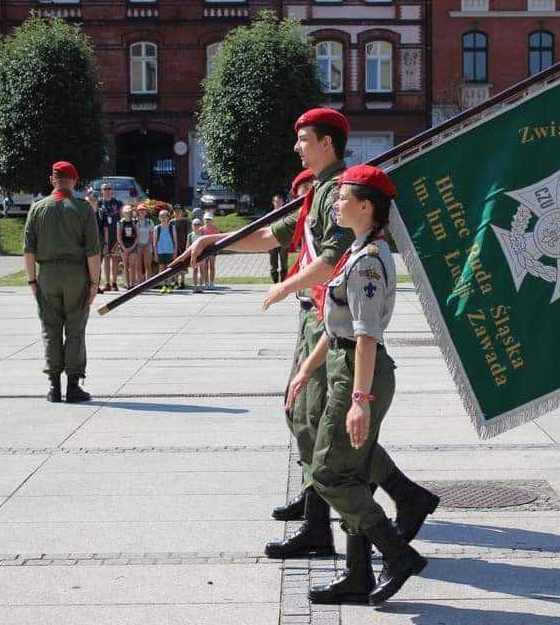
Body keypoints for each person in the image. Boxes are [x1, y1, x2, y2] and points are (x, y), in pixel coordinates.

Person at [176, 108, 438, 562]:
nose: (297, 147)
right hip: (313, 317)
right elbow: (275, 237)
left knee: (316, 423)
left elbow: (332, 261)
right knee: (306, 417)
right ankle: (362, 508)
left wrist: (284, 286)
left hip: (326, 317)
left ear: (327, 144)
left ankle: (353, 516)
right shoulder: (318, 191)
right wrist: (214, 241)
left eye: (304, 139)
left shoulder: (341, 192)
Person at [287, 165, 426, 606]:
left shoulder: (367, 262)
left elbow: (365, 335)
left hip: (359, 371)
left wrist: (360, 401)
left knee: (328, 472)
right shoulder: (358, 250)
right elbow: (337, 326)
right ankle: (358, 574)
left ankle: (398, 554)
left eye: (345, 198)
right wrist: (308, 369)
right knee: (351, 472)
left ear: (367, 207)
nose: (337, 204)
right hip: (344, 363)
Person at [23, 161, 100, 403]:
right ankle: (73, 385)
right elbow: (93, 252)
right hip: (76, 274)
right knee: (75, 329)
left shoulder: (37, 208)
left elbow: (28, 251)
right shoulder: (83, 209)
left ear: (52, 180)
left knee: (50, 328)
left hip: (46, 275)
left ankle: (54, 387)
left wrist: (32, 281)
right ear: (74, 181)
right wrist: (94, 283)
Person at [99, 183, 123, 292]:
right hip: (103, 235)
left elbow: (122, 218)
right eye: (105, 189)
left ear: (112, 190)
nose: (107, 190)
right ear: (102, 191)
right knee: (106, 259)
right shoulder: (99, 203)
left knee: (115, 259)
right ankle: (107, 283)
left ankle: (114, 283)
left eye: (109, 188)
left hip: (115, 235)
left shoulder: (118, 203)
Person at [152, 209, 178, 293]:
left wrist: (175, 252)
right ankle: (164, 285)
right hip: (160, 251)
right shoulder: (157, 228)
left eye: (165, 216)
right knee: (161, 268)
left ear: (168, 217)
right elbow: (154, 243)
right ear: (159, 218)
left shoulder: (172, 227)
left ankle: (169, 285)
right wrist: (155, 253)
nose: (163, 218)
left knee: (169, 268)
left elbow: (175, 241)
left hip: (170, 251)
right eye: (161, 216)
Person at [117, 204, 139, 289]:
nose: (127, 213)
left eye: (129, 212)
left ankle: (133, 283)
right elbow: (118, 236)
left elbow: (137, 236)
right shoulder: (120, 222)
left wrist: (132, 247)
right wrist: (124, 247)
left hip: (133, 245)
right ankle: (127, 284)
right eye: (125, 212)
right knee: (125, 265)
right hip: (123, 246)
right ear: (123, 213)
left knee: (132, 265)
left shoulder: (135, 222)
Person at [268, 194, 288, 284]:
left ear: (283, 203)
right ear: (273, 203)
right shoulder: (269, 216)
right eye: (276, 202)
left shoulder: (287, 214)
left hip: (283, 241)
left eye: (280, 202)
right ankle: (275, 282)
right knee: (273, 264)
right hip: (272, 242)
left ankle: (283, 282)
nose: (278, 204)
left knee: (284, 264)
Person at [134, 203, 154, 282]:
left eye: (143, 210)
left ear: (146, 212)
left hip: (147, 246)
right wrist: (138, 245)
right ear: (137, 211)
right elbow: (134, 235)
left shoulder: (149, 222)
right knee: (138, 265)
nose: (142, 211)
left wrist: (147, 245)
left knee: (147, 265)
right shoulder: (135, 221)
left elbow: (151, 235)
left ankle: (148, 283)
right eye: (140, 210)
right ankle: (139, 283)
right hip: (137, 246)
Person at [172, 205, 190, 289]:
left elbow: (188, 234)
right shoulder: (171, 222)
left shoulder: (185, 222)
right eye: (175, 211)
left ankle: (182, 282)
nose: (177, 213)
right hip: (174, 246)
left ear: (182, 212)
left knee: (183, 264)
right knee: (175, 263)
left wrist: (188, 245)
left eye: (179, 211)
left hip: (183, 246)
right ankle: (175, 281)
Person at [200, 212, 219, 289]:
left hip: (212, 249)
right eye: (206, 219)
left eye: (209, 219)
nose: (207, 221)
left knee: (212, 267)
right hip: (204, 250)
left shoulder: (215, 229)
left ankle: (211, 283)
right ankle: (206, 283)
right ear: (204, 220)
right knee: (205, 267)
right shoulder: (201, 229)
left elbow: (218, 239)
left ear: (212, 220)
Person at [187, 218, 206, 293]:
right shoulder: (190, 235)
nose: (196, 226)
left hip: (201, 254)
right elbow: (188, 246)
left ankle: (200, 286)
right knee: (195, 270)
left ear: (200, 225)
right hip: (193, 255)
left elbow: (205, 245)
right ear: (192, 226)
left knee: (201, 270)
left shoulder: (203, 235)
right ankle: (195, 286)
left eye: (198, 224)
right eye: (194, 224)